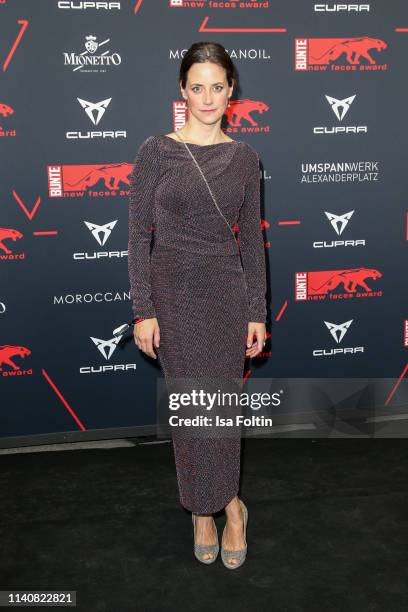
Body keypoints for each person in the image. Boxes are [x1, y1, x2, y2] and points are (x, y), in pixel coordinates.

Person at [128, 41, 267, 568]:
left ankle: (232, 509)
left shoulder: (246, 158)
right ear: (181, 91)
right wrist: (144, 309)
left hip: (225, 296)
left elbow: (252, 242)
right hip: (171, 297)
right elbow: (139, 234)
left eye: (217, 85)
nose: (206, 97)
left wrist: (256, 310)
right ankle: (200, 511)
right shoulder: (154, 151)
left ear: (231, 90)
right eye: (196, 86)